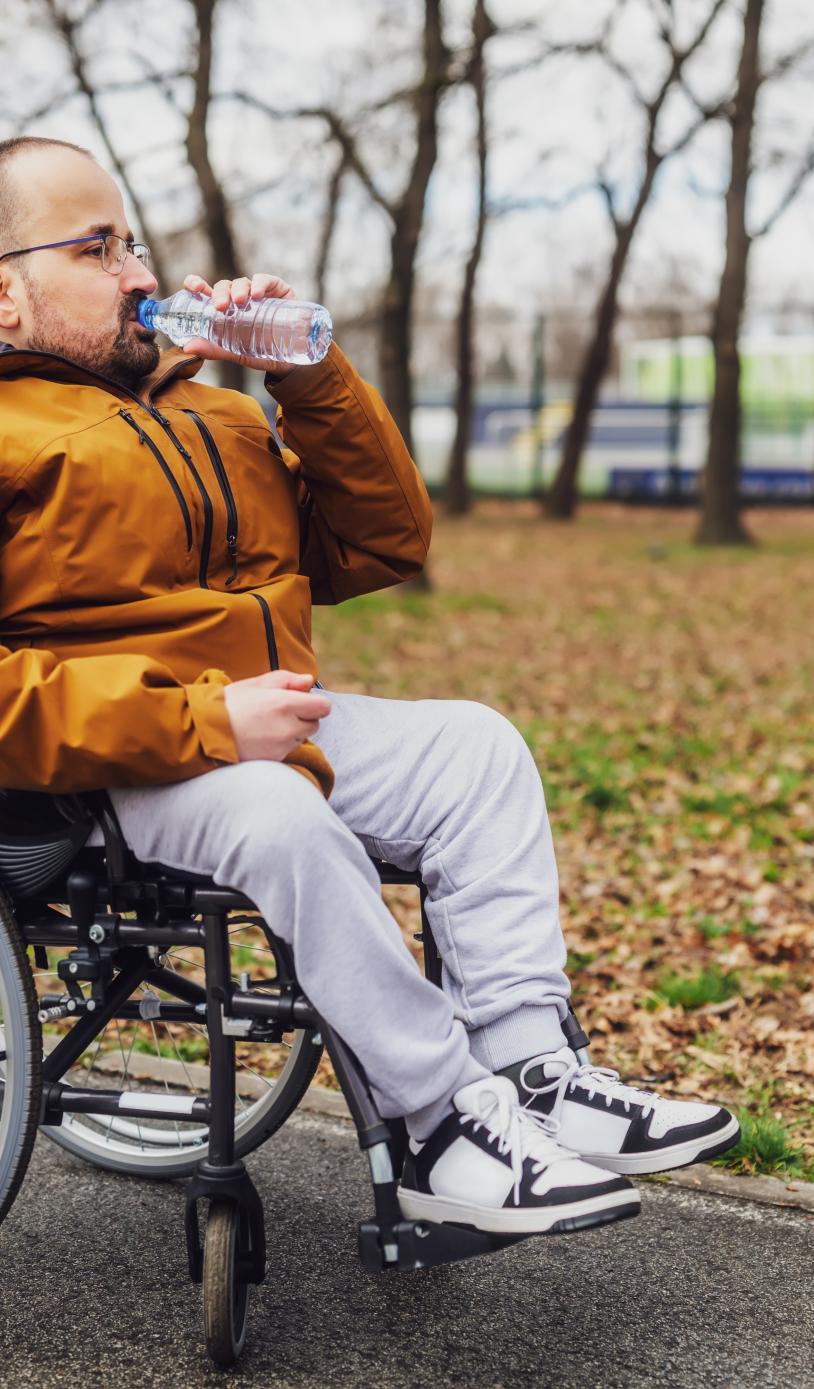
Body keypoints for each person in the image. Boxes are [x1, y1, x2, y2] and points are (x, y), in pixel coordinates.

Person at [0, 135, 738, 1237]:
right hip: (109, 761)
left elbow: (386, 540)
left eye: (135, 242)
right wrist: (201, 720)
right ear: (7, 297)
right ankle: (439, 1121)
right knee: (276, 808)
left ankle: (532, 1068)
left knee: (475, 749)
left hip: (261, 726)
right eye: (99, 249)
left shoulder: (217, 414)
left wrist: (307, 376)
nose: (142, 273)